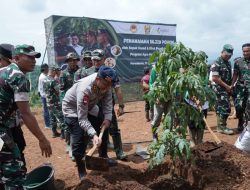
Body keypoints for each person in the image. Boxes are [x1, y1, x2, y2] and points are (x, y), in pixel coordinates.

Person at [0, 44, 52, 189]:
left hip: (4, 127)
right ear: (16, 58)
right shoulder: (18, 77)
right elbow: (26, 113)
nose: (34, 60)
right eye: (29, 57)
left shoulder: (4, 71)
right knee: (14, 173)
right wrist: (42, 139)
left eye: (35, 57)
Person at [62, 65, 117, 180]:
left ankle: (103, 158)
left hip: (90, 106)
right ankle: (81, 170)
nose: (108, 88)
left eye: (109, 85)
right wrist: (93, 134)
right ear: (97, 80)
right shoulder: (85, 88)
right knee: (79, 139)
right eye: (105, 85)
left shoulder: (106, 84)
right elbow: (82, 119)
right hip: (73, 110)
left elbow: (107, 104)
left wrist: (107, 118)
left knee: (103, 122)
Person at [76, 49, 127, 160]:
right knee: (90, 130)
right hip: (92, 107)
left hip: (107, 105)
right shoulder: (86, 72)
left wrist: (121, 105)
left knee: (113, 129)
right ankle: (88, 155)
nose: (96, 62)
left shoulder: (111, 73)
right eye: (93, 60)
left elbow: (118, 90)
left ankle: (119, 152)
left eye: (98, 60)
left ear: (104, 59)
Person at [211, 44, 234, 135]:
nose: (228, 56)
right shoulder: (216, 62)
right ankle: (222, 127)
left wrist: (230, 86)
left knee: (220, 107)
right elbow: (215, 78)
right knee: (226, 107)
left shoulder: (228, 63)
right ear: (222, 52)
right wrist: (227, 86)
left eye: (230, 55)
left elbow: (229, 76)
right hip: (219, 89)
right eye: (226, 54)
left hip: (226, 88)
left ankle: (220, 127)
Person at [44, 65, 67, 138]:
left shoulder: (45, 79)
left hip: (48, 102)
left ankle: (54, 132)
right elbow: (58, 91)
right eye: (56, 71)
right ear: (53, 71)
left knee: (52, 117)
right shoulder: (53, 80)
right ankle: (63, 135)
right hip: (55, 102)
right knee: (61, 118)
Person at [232, 44, 250, 131]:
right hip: (240, 88)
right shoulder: (238, 62)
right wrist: (231, 85)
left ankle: (247, 125)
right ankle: (240, 121)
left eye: (247, 51)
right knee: (239, 106)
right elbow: (235, 75)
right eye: (244, 51)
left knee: (248, 107)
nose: (245, 53)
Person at [38, 63, 50, 129]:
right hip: (45, 96)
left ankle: (48, 123)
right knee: (46, 110)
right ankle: (47, 125)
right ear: (44, 69)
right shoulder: (43, 77)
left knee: (47, 110)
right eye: (47, 68)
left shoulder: (44, 75)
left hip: (44, 95)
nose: (48, 69)